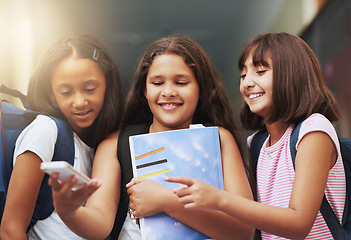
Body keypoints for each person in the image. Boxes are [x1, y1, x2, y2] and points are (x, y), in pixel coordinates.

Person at [49, 34, 254, 240]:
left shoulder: (219, 139)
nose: (168, 91)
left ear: (201, 89)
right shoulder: (115, 144)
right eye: (157, 83)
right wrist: (69, 211)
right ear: (144, 91)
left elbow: (244, 231)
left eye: (181, 82)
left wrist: (167, 202)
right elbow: (100, 224)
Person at [165, 32, 345, 239]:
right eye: (243, 75)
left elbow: (299, 223)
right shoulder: (257, 143)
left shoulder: (313, 130)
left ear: (293, 74)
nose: (247, 83)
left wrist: (219, 199)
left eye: (260, 71)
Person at [0, 33, 124, 240]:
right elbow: (11, 229)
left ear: (108, 85)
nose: (79, 101)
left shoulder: (105, 143)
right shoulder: (46, 130)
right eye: (66, 92)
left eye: (90, 89)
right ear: (51, 94)